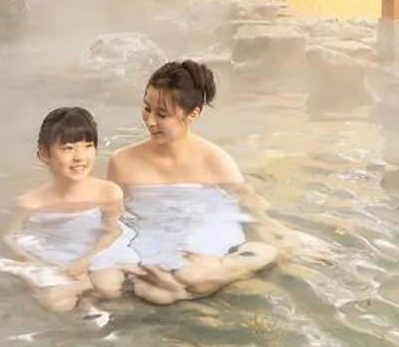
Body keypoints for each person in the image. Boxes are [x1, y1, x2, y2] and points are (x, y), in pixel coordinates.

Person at [107, 60, 279, 304]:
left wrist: (273, 227)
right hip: (154, 228)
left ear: (193, 114)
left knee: (192, 275)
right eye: (147, 108)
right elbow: (115, 215)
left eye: (162, 114)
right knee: (150, 291)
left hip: (205, 224)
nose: (150, 120)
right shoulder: (122, 161)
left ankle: (235, 264)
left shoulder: (214, 160)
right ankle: (194, 286)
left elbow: (249, 200)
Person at [3, 106, 138, 313]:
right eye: (68, 148)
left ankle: (88, 299)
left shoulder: (108, 193)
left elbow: (113, 231)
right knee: (58, 304)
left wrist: (86, 260)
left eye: (88, 146)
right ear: (44, 154)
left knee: (110, 288)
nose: (79, 156)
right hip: (56, 253)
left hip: (98, 250)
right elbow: (10, 237)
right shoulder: (31, 203)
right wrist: (34, 263)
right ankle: (82, 297)